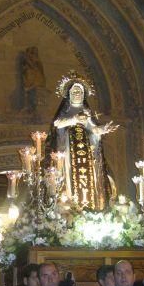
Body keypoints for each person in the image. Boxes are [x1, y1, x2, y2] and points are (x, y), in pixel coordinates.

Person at [48, 70, 118, 211]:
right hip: (69, 152)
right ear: (69, 95)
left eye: (79, 91)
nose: (77, 94)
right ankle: (71, 206)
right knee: (70, 176)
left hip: (86, 154)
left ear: (84, 95)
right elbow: (57, 124)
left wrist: (103, 129)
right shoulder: (66, 111)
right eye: (74, 91)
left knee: (88, 178)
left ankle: (91, 206)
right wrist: (74, 119)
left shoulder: (87, 112)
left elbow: (94, 130)